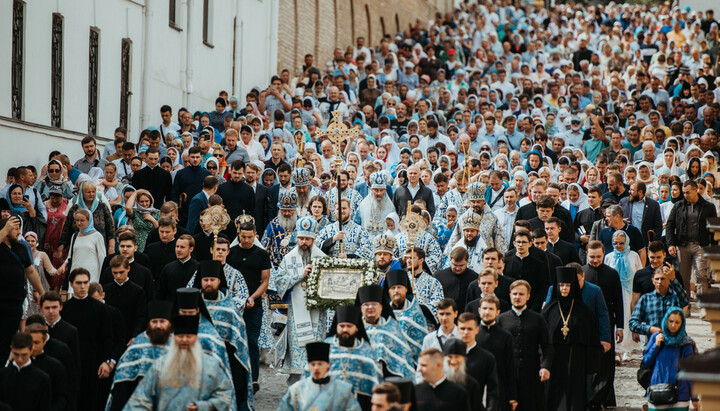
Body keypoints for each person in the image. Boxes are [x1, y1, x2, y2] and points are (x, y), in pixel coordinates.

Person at [124, 315, 234, 410]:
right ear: (174, 338)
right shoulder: (159, 365)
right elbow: (140, 400)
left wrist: (203, 407)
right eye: (180, 336)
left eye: (188, 337)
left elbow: (225, 396)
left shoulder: (212, 365)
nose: (184, 340)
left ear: (195, 339)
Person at [269, 216, 327, 382]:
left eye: (307, 239)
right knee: (298, 349)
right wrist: (299, 276)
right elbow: (279, 281)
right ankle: (296, 385)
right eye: (301, 238)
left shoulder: (322, 258)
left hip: (318, 313)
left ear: (313, 239)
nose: (303, 242)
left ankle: (315, 381)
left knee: (315, 348)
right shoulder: (289, 258)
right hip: (296, 313)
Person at [196, 260, 254, 410]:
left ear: (219, 281)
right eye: (205, 280)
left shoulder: (229, 307)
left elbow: (239, 338)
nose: (209, 283)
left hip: (227, 360)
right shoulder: (192, 306)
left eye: (212, 280)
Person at [542, 267, 602, 410]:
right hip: (554, 359)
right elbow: (542, 339)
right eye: (561, 285)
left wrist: (593, 364)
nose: (564, 289)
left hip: (577, 359)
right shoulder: (548, 310)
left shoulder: (584, 311)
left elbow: (592, 340)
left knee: (575, 395)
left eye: (568, 285)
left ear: (573, 286)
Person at [227, 220, 272, 389]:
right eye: (243, 237)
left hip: (254, 304)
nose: (246, 240)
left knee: (252, 341)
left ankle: (253, 379)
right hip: (233, 304)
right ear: (239, 235)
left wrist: (252, 297)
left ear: (255, 236)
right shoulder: (231, 253)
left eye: (249, 237)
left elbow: (265, 281)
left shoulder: (261, 254)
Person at [106, 301, 174, 411]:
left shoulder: (177, 345)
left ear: (169, 323)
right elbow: (123, 382)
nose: (158, 326)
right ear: (149, 324)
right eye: (154, 322)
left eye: (162, 321)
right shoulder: (138, 344)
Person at [62, 268, 113, 411]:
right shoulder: (65, 309)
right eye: (79, 283)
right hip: (71, 361)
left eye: (86, 282)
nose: (83, 287)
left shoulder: (100, 309)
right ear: (71, 284)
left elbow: (107, 337)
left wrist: (105, 361)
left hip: (93, 361)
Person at [497, 280, 552, 411]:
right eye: (515, 294)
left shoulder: (538, 319)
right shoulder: (501, 319)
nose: (517, 297)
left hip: (532, 373)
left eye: (521, 294)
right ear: (510, 295)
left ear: (528, 296)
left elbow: (547, 346)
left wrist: (545, 366)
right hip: (508, 372)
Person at [0, 216, 46, 360]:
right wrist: (5, 229)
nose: (19, 232)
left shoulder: (21, 247)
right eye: (15, 229)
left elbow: (30, 271)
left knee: (9, 339)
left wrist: (43, 293)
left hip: (15, 302)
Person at [666, 180, 716, 296]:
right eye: (683, 192)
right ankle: (685, 306)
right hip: (682, 246)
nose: (685, 195)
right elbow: (670, 225)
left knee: (701, 276)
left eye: (688, 192)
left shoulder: (708, 207)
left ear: (696, 190)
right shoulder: (679, 206)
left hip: (700, 246)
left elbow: (713, 229)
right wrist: (671, 244)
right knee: (683, 278)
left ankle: (703, 307)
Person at [324, 305, 383, 405]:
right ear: (336, 327)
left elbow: (374, 379)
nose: (345, 330)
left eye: (349, 326)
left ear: (356, 328)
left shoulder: (365, 350)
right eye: (342, 326)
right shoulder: (326, 347)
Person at [641, 307, 697, 411]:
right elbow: (646, 362)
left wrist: (695, 398)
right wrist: (656, 346)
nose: (673, 325)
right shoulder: (656, 338)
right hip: (657, 393)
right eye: (670, 321)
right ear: (666, 320)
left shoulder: (686, 344)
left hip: (680, 396)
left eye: (677, 322)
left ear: (682, 324)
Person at [279, 342, 361, 411]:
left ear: (328, 365)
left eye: (320, 364)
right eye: (313, 364)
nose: (316, 368)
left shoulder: (343, 390)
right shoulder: (296, 390)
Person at [357, 284, 415, 379]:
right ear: (361, 308)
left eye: (374, 304)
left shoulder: (392, 328)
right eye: (366, 305)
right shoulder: (355, 329)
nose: (370, 307)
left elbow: (402, 358)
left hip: (388, 381)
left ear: (381, 307)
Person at [476, 295, 518, 411]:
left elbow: (510, 366)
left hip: (500, 389)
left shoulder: (505, 336)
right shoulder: (473, 334)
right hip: (477, 389)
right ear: (479, 310)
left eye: (491, 309)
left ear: (497, 312)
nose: (487, 312)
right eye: (484, 308)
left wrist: (512, 396)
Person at [385, 269, 430, 364]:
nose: (396, 291)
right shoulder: (384, 314)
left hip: (411, 363)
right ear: (388, 291)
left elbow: (421, 343)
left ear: (406, 289)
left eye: (399, 287)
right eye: (393, 288)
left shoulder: (416, 312)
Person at [456, 312, 500, 410]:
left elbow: (493, 390)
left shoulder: (487, 358)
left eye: (469, 329)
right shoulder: (450, 357)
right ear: (458, 330)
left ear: (477, 330)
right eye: (462, 329)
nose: (466, 332)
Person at [630, 268, 689, 338]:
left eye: (663, 279)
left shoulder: (675, 297)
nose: (659, 282)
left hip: (675, 342)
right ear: (653, 281)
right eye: (657, 279)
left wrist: (673, 279)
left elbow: (685, 301)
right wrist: (650, 329)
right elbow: (633, 323)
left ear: (669, 281)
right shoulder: (646, 299)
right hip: (654, 342)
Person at [0, 332, 52, 411]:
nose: (19, 359)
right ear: (11, 348)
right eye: (16, 354)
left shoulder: (42, 379)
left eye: (24, 355)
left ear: (31, 350)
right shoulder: (2, 374)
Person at [103, 255, 147, 344]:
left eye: (121, 272)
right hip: (110, 336)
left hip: (130, 335)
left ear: (128, 269)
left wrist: (135, 335)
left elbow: (141, 316)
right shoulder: (106, 290)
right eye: (115, 273)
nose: (118, 276)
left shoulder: (137, 291)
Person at [25, 323, 68, 411]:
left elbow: (61, 397)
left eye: (36, 343)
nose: (33, 347)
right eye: (30, 342)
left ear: (44, 342)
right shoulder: (20, 364)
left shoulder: (55, 366)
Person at [504, 229, 548, 311]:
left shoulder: (538, 264)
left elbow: (542, 289)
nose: (520, 245)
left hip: (532, 308)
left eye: (524, 242)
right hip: (509, 308)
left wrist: (534, 309)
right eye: (518, 242)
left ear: (530, 243)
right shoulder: (506, 262)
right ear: (514, 243)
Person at [155, 234, 199, 301]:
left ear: (191, 249)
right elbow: (161, 292)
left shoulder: (198, 268)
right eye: (177, 246)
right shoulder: (168, 268)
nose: (178, 250)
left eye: (182, 247)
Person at [355, 171, 396, 238]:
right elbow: (356, 224)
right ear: (371, 189)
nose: (379, 193)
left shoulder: (391, 208)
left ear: (385, 190)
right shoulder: (363, 206)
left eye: (381, 190)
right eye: (376, 190)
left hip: (384, 243)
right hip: (366, 242)